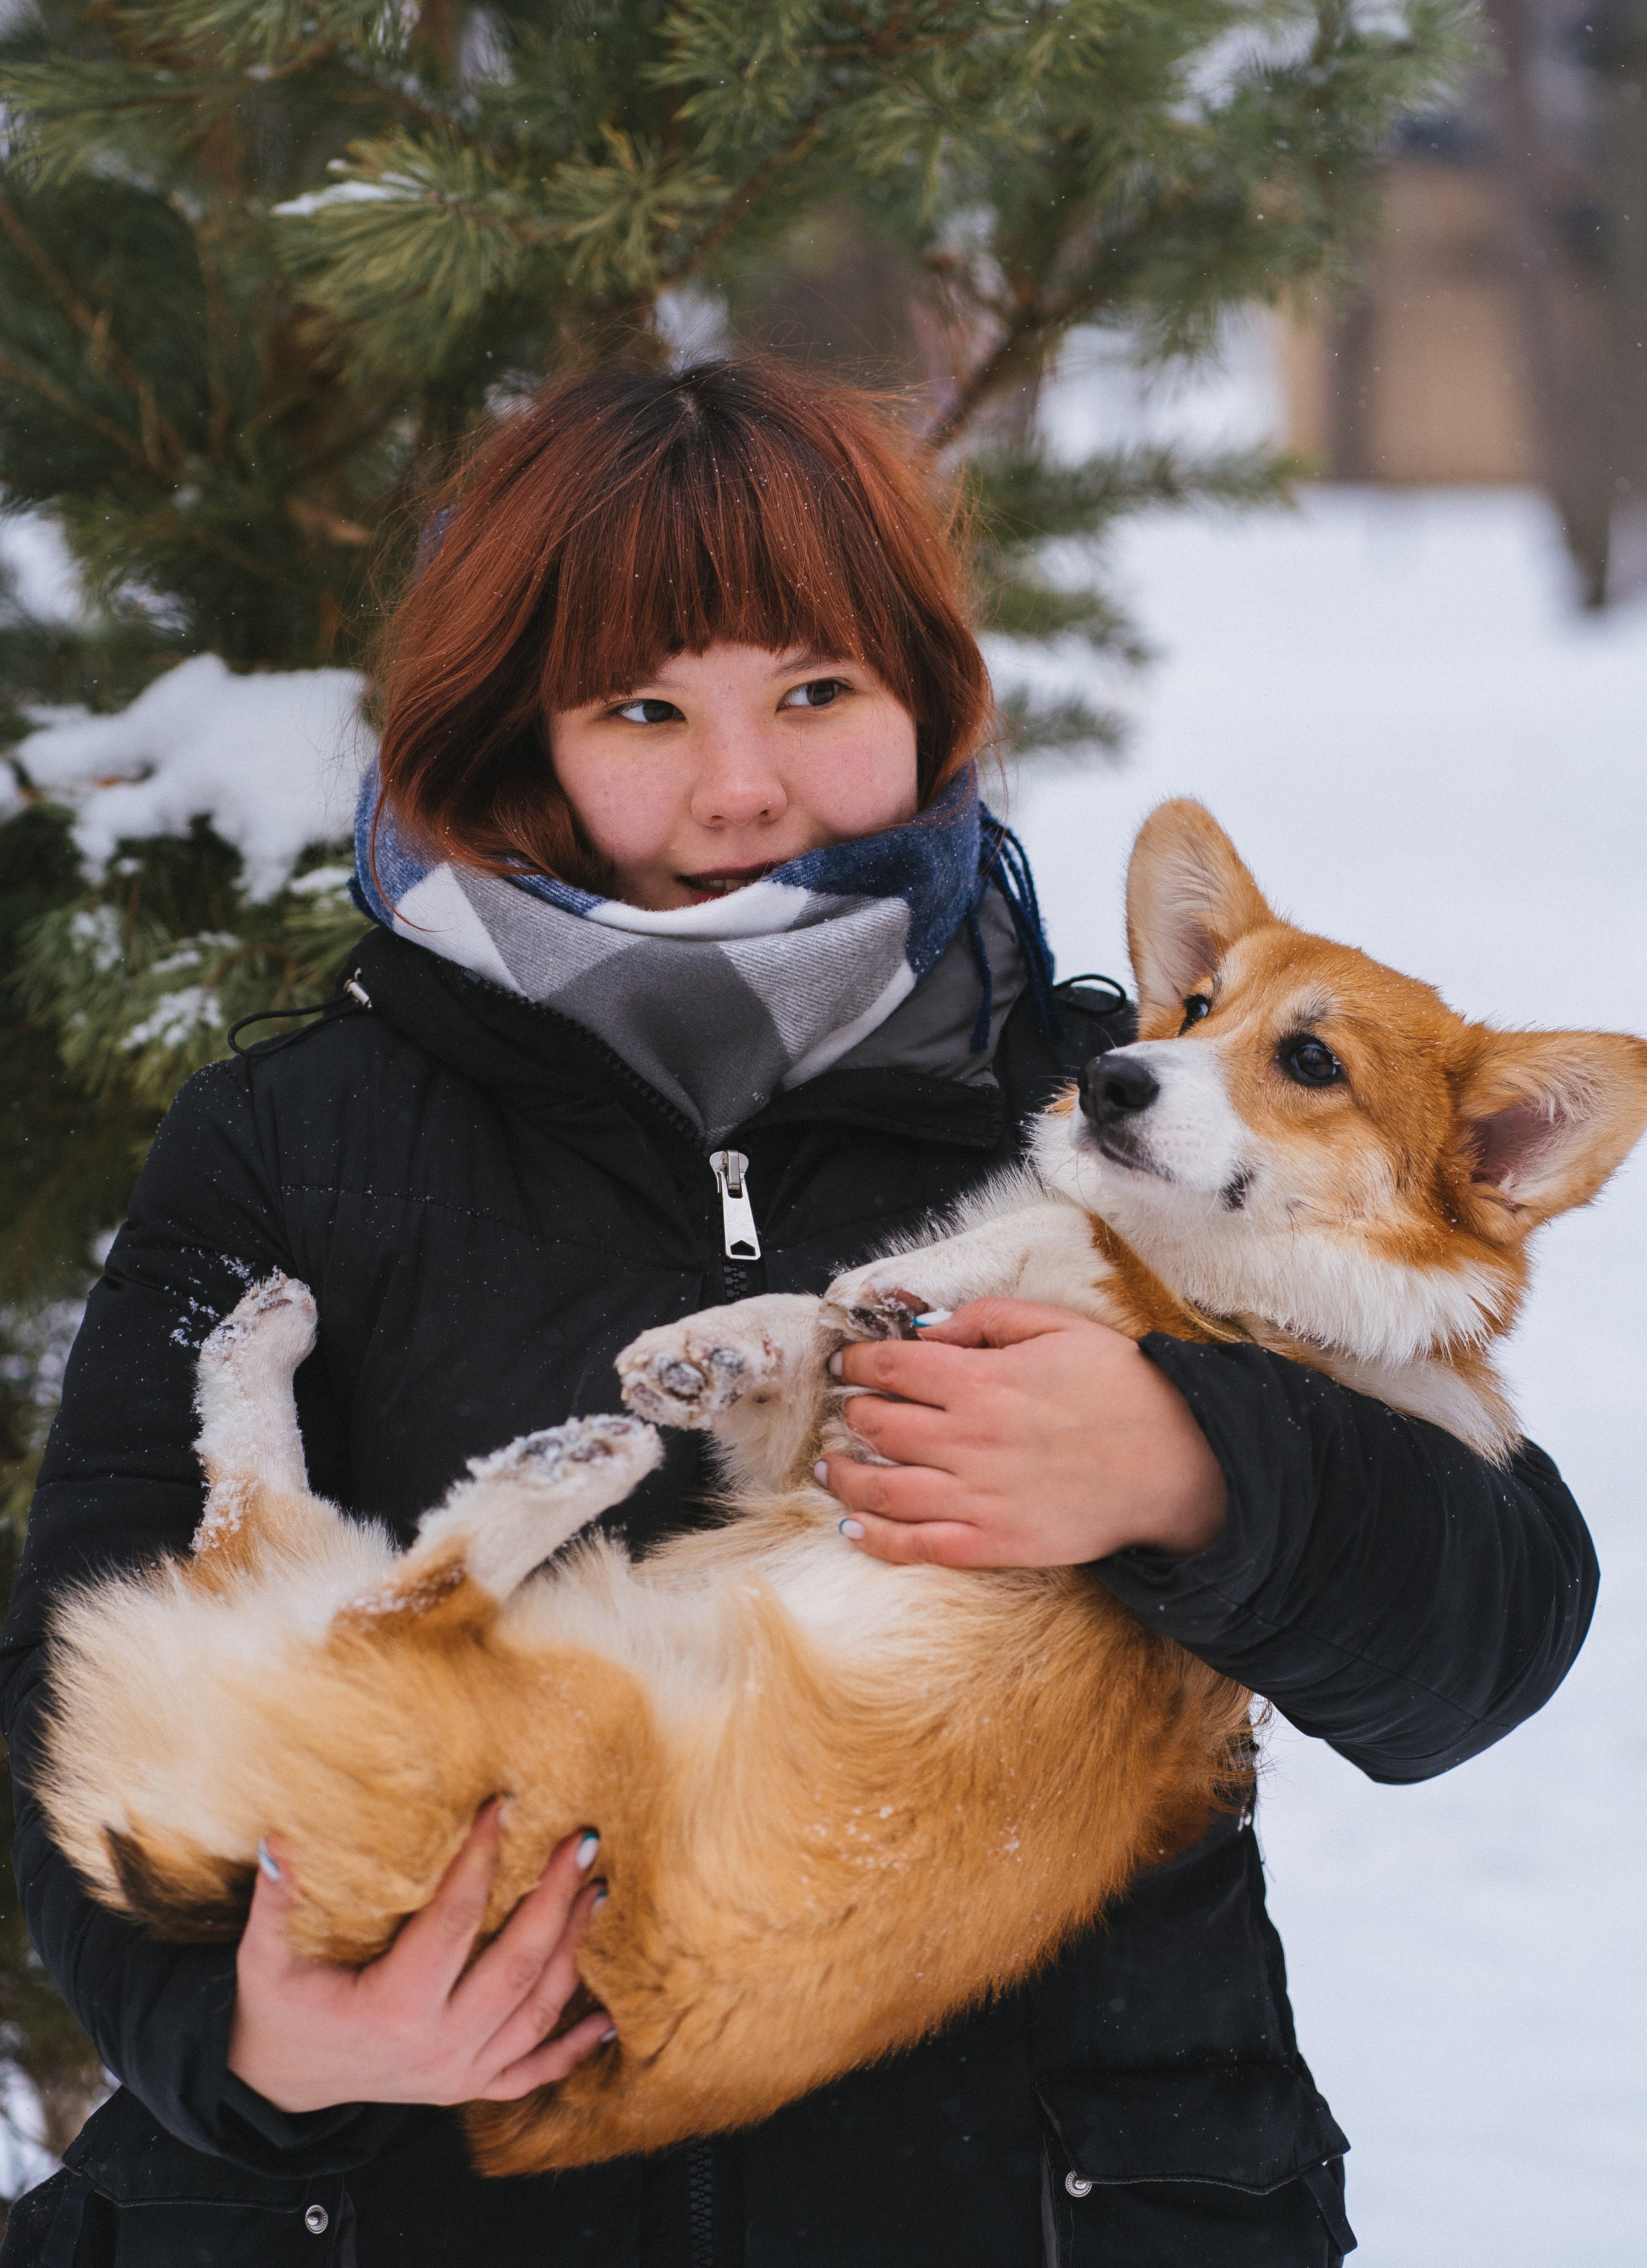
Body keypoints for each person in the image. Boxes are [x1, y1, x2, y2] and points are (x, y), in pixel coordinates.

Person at [0, 358, 1596, 2268]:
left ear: (929, 701)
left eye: (818, 693)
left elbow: (1495, 1629)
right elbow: (78, 1662)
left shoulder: (1132, 1114)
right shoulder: (295, 1143)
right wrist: (245, 2044)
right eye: (646, 708)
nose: (742, 787)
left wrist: (1203, 1471)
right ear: (527, 733)